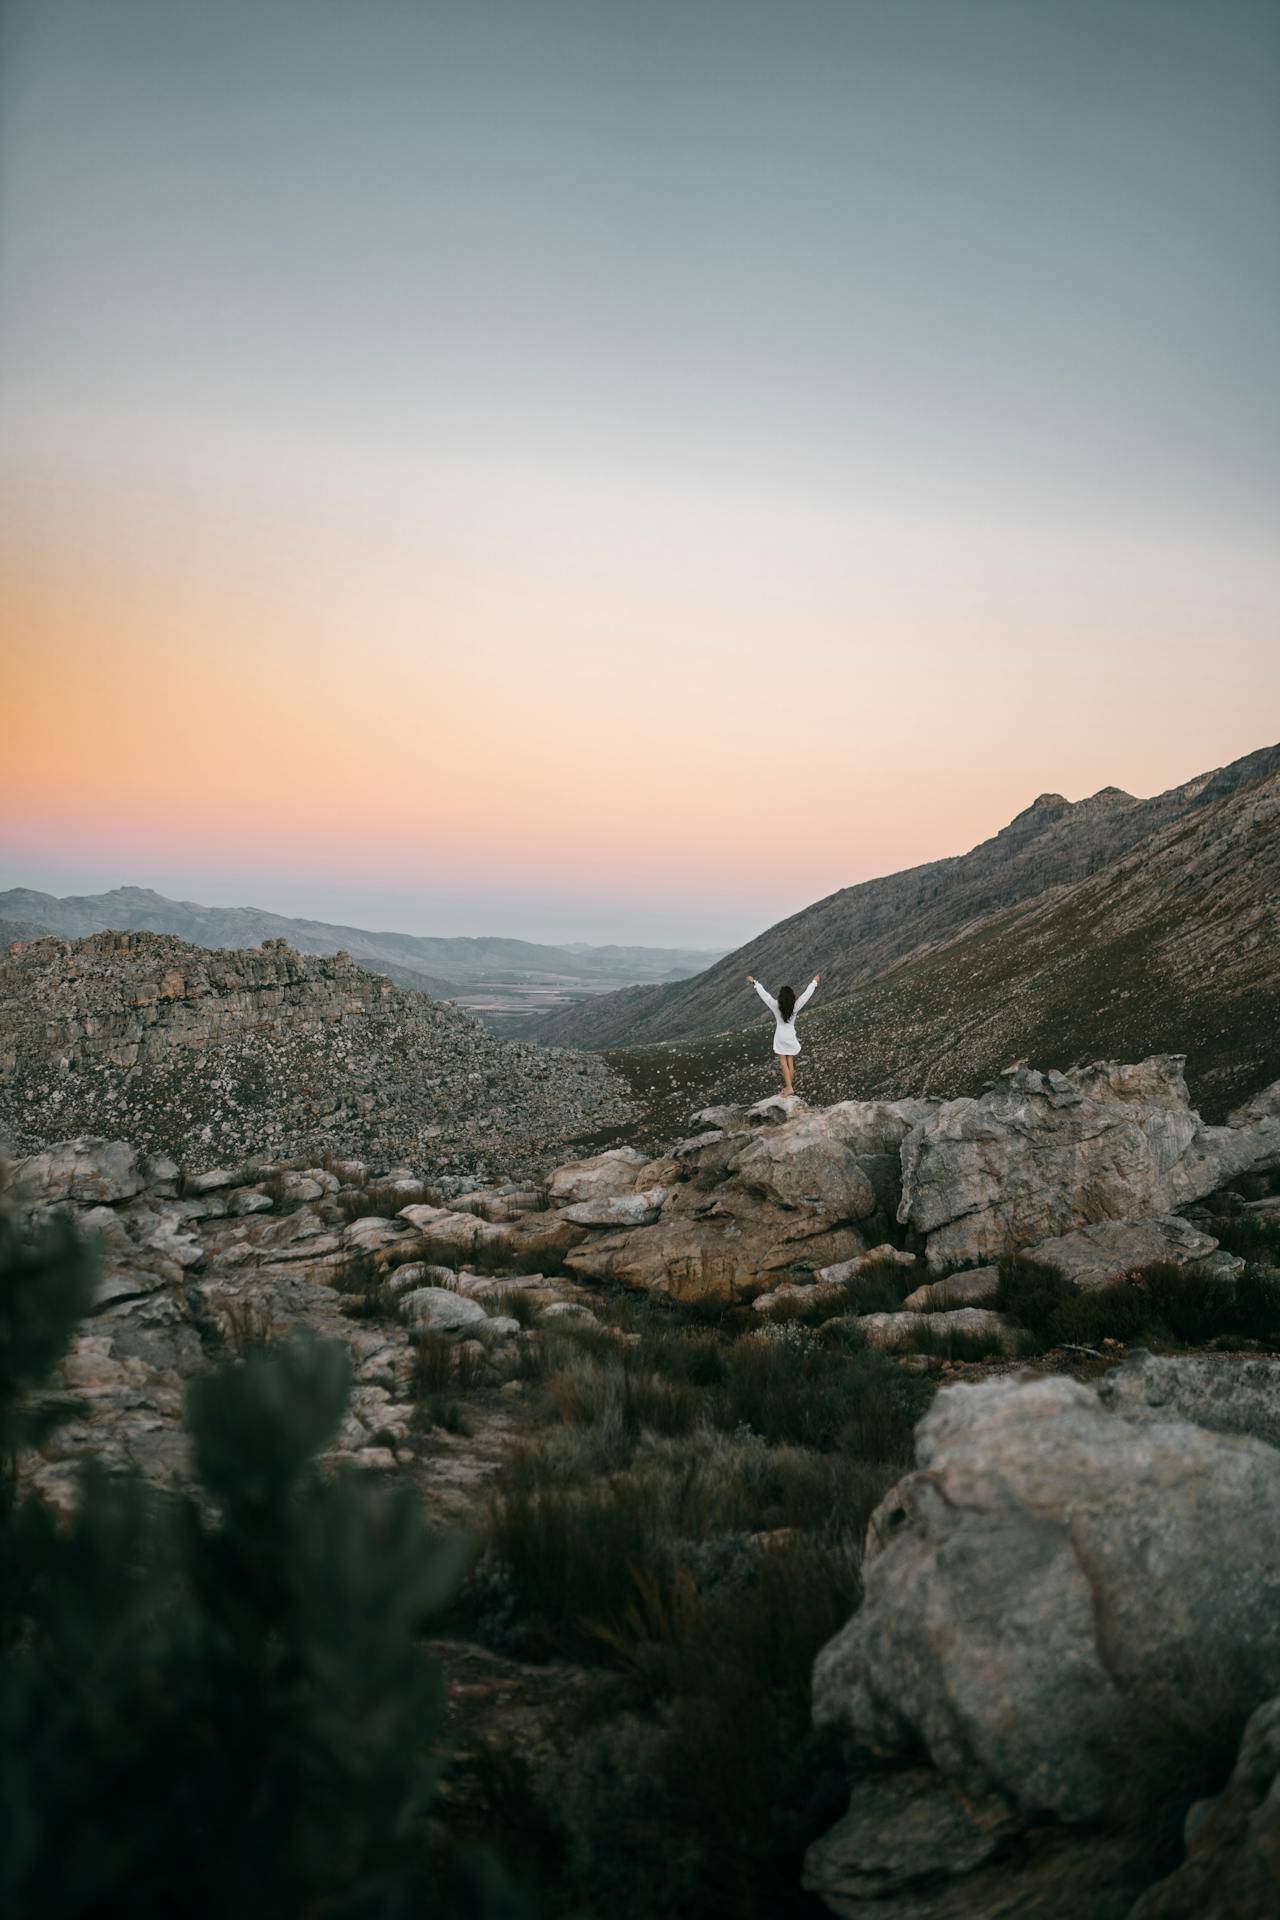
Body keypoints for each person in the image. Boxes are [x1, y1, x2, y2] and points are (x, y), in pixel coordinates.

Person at [746, 971, 820, 1096]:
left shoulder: (776, 1005)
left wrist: (754, 982)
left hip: (780, 1036)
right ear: (792, 997)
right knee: (790, 1061)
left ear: (781, 997)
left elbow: (764, 995)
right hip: (790, 1035)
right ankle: (788, 1087)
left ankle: (789, 1088)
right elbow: (806, 995)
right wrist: (814, 982)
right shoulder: (795, 1006)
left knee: (783, 1063)